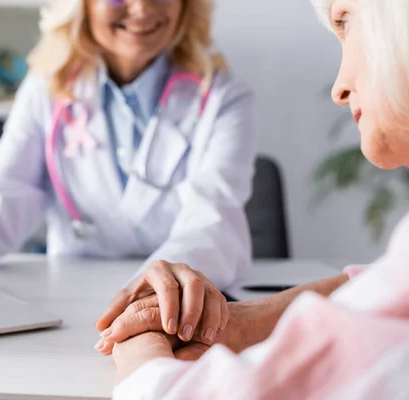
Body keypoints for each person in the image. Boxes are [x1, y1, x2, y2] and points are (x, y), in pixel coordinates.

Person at [0, 0, 256, 343]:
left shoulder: (222, 97)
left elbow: (214, 218)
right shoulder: (47, 88)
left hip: (169, 315)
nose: (142, 8)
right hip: (72, 311)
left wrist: (170, 278)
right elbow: (1, 205)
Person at [101, 0, 409, 398]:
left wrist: (140, 338)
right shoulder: (47, 90)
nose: (339, 89)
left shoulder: (223, 93)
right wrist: (237, 323)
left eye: (346, 21)